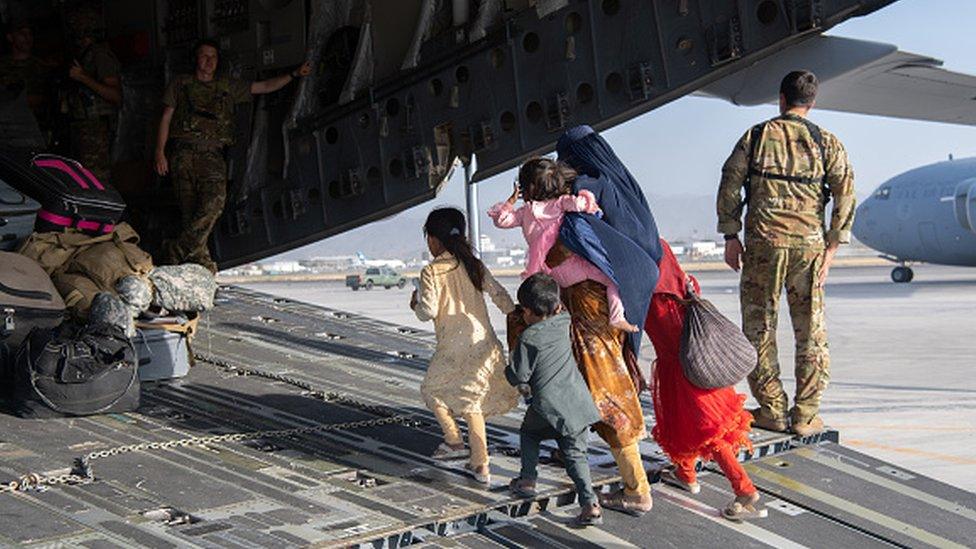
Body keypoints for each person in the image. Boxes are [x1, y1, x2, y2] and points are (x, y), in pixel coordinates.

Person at [717, 70, 856, 436]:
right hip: (808, 249)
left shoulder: (757, 135)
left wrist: (731, 235)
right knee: (811, 332)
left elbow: (730, 182)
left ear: (781, 99)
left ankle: (772, 409)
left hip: (763, 246)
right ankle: (806, 415)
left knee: (759, 329)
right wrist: (833, 246)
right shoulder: (827, 142)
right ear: (811, 102)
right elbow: (845, 192)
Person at [154, 39, 312, 273]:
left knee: (214, 204)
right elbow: (166, 118)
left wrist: (294, 74)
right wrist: (160, 152)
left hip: (212, 157)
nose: (209, 61)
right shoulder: (180, 84)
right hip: (183, 154)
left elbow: (265, 86)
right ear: (196, 59)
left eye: (213, 57)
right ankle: (203, 267)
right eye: (204, 56)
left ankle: (174, 251)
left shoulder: (228, 86)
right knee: (191, 215)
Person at [647, 241, 766, 521]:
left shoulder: (653, 300)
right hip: (700, 368)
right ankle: (685, 474)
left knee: (708, 431)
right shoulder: (681, 284)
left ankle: (744, 488)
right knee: (683, 424)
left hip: (684, 376)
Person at [410, 208, 518, 485]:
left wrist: (415, 303)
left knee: (432, 390)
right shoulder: (473, 264)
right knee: (473, 402)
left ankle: (459, 445)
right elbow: (499, 295)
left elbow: (428, 311)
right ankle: (476, 461)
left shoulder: (431, 271)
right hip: (484, 343)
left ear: (433, 240)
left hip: (453, 346)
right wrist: (514, 312)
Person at [488, 158, 638, 332]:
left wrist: (510, 201)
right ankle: (617, 317)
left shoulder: (524, 213)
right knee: (614, 281)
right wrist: (587, 197)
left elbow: (502, 220)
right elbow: (581, 204)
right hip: (575, 268)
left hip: (549, 274)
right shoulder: (560, 203)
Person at [506, 274, 603, 526]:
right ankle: (590, 504)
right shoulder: (564, 320)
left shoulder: (529, 338)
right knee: (575, 455)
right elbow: (554, 306)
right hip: (578, 402)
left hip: (547, 406)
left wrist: (507, 365)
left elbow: (519, 375)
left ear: (527, 311)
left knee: (529, 434)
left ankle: (527, 480)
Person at [64, 6, 121, 182]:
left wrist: (82, 77)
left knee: (97, 180)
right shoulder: (82, 54)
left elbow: (115, 95)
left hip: (97, 131)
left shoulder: (100, 55)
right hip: (82, 128)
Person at [0, 19, 52, 135]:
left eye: (29, 34)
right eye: (22, 34)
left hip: (35, 129)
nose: (27, 38)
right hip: (6, 129)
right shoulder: (2, 66)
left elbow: (45, 98)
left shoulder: (42, 66)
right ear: (10, 37)